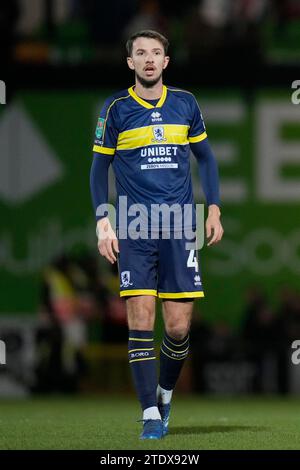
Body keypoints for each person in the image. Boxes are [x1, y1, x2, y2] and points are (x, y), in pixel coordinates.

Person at [90, 29, 223, 440]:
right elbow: (98, 170)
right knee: (141, 317)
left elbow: (206, 158)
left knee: (179, 327)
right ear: (130, 62)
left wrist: (214, 208)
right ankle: (149, 413)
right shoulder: (114, 109)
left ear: (166, 61)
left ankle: (164, 394)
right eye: (141, 53)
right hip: (133, 225)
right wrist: (102, 220)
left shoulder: (186, 103)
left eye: (157, 52)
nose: (149, 58)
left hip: (181, 224)